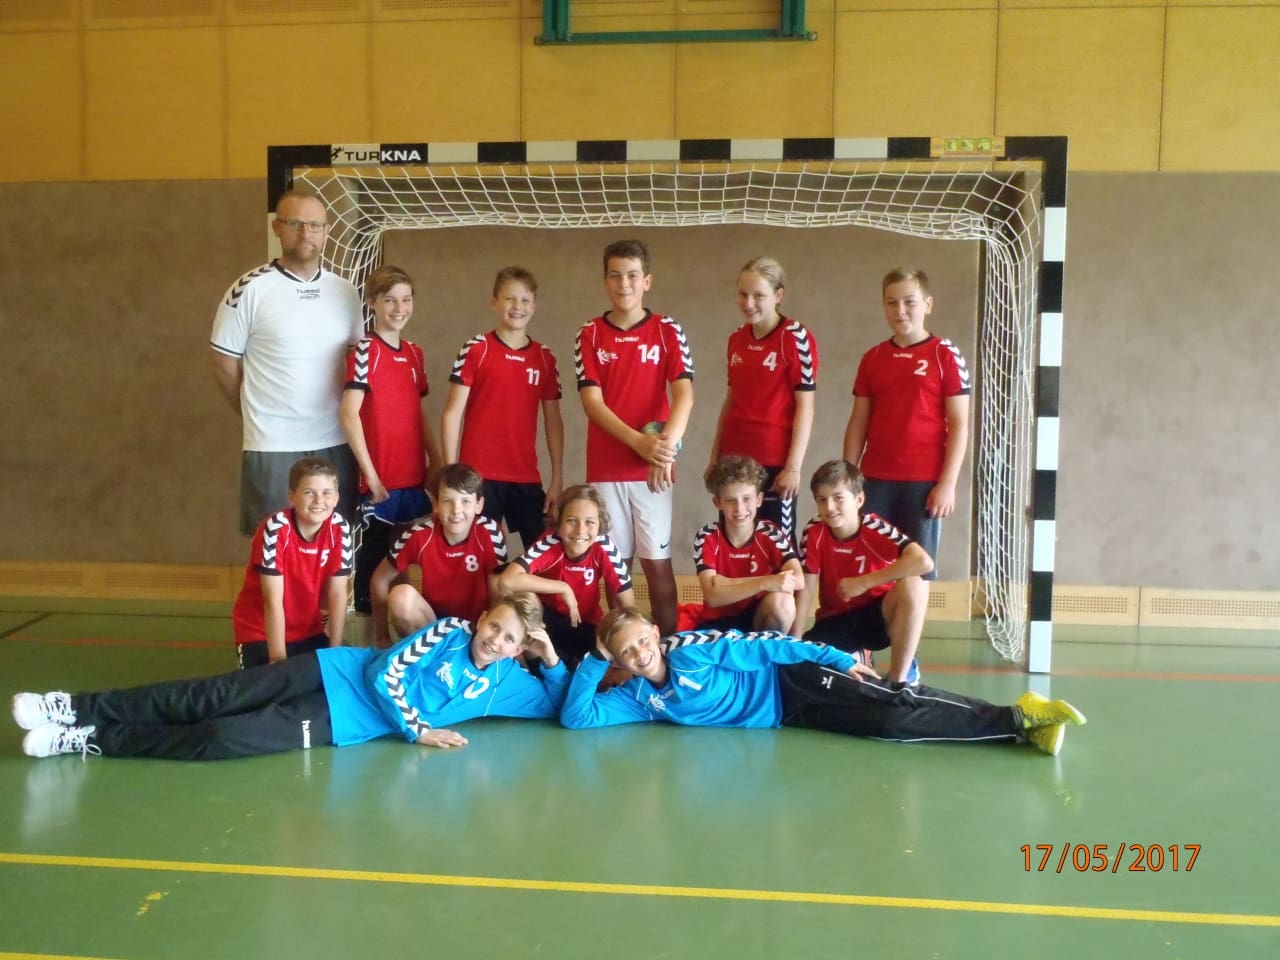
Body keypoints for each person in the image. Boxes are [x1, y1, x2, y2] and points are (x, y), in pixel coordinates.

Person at [11, 593, 566, 760]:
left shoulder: (505, 683)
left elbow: (563, 709)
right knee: (213, 696)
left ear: (517, 649)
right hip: (334, 674)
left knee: (221, 737)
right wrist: (417, 728)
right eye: (494, 626)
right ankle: (75, 706)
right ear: (482, 618)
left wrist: (551, 657)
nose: (495, 640)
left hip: (340, 724)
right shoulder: (447, 631)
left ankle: (93, 738)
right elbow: (383, 672)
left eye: (509, 639)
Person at [559, 608, 1086, 757]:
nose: (639, 653)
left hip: (793, 680)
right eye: (625, 652)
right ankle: (1017, 725)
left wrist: (832, 657)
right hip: (788, 717)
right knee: (888, 729)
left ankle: (1022, 717)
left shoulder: (693, 651)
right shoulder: (638, 697)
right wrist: (595, 658)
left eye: (642, 640)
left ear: (655, 633)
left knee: (893, 704)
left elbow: (767, 645)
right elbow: (577, 717)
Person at [210, 188, 364, 536]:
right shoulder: (248, 290)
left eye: (314, 225)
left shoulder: (346, 292)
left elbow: (357, 362)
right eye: (295, 223)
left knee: (333, 547)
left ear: (327, 231)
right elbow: (223, 363)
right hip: (272, 443)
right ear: (277, 228)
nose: (305, 233)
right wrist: (253, 411)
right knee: (274, 548)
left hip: (335, 441)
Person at [574, 239, 693, 638]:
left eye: (632, 276)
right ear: (604, 281)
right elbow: (592, 403)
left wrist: (663, 451)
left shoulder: (667, 330)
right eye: (615, 276)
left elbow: (685, 396)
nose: (623, 284)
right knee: (616, 566)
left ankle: (669, 650)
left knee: (658, 566)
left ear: (647, 281)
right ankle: (624, 647)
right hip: (606, 469)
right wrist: (637, 442)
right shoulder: (589, 333)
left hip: (652, 470)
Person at [842, 267, 970, 578]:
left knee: (916, 572)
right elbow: (858, 421)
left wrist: (947, 485)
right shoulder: (872, 358)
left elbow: (959, 425)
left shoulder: (945, 355)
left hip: (923, 483)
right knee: (871, 567)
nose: (900, 311)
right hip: (874, 481)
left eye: (909, 302)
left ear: (928, 304)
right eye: (892, 302)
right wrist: (847, 476)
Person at [339, 265, 441, 616]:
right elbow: (348, 414)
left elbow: (417, 412)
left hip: (413, 475)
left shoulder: (414, 352)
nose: (399, 308)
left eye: (406, 299)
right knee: (374, 562)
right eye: (390, 300)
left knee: (402, 559)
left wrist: (436, 460)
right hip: (381, 480)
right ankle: (370, 635)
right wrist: (371, 475)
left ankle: (402, 638)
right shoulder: (365, 350)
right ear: (373, 302)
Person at [441, 266, 564, 552]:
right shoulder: (477, 349)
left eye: (524, 300)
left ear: (534, 306)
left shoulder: (544, 358)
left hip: (525, 477)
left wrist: (557, 477)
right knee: (477, 555)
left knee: (543, 553)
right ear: (493, 302)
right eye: (509, 298)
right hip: (478, 476)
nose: (517, 306)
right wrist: (451, 475)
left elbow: (554, 421)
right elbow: (452, 413)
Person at [705, 257, 819, 543]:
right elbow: (731, 400)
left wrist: (793, 467)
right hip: (733, 460)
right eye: (743, 294)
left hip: (773, 462)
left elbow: (805, 407)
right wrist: (715, 457)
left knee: (776, 544)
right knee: (734, 542)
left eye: (758, 295)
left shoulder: (796, 338)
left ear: (778, 296)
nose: (749, 303)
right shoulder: (736, 338)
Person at [796, 459, 931, 688]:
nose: (830, 507)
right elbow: (806, 588)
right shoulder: (814, 531)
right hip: (836, 619)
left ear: (859, 499)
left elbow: (923, 562)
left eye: (838, 498)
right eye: (822, 499)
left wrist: (864, 582)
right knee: (808, 665)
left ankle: (900, 677)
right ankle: (860, 654)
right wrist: (795, 641)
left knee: (914, 584)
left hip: (878, 618)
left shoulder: (875, 528)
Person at [231, 457, 352, 669]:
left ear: (336, 498)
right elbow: (272, 599)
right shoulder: (276, 529)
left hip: (308, 632)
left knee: (328, 683)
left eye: (326, 493)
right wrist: (278, 661)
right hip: (260, 632)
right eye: (309, 492)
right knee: (271, 685)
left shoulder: (340, 529)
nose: (319, 500)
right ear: (291, 497)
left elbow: (337, 593)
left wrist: (335, 651)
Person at [369, 463, 506, 648]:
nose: (456, 510)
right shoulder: (418, 534)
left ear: (479, 505)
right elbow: (380, 578)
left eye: (465, 501)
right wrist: (382, 637)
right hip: (431, 628)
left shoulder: (490, 532)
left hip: (477, 629)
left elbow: (498, 594)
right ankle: (430, 655)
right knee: (400, 597)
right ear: (435, 504)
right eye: (447, 501)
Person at [497, 484, 636, 666]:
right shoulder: (550, 542)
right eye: (571, 520)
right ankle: (531, 667)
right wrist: (563, 588)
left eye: (590, 522)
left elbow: (628, 606)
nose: (580, 531)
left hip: (586, 623)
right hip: (547, 623)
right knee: (523, 596)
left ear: (599, 525)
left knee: (612, 648)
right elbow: (506, 581)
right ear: (558, 523)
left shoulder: (604, 546)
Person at [692, 455, 805, 636]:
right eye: (731, 500)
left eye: (746, 499)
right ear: (717, 503)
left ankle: (767, 649)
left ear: (759, 500)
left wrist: (725, 584)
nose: (740, 508)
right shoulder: (707, 536)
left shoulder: (770, 533)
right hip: (717, 623)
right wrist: (766, 582)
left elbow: (798, 579)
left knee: (784, 601)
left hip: (757, 618)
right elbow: (712, 597)